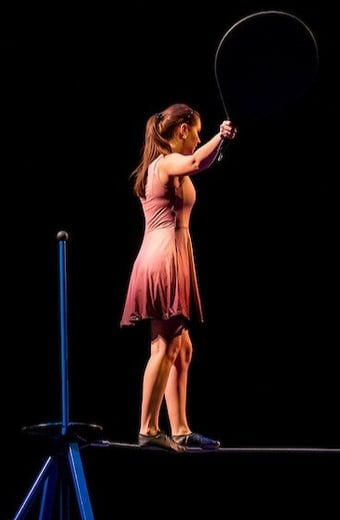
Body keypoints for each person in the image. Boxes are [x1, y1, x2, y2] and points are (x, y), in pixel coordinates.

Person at [120, 103, 236, 452]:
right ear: (182, 129)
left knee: (182, 348)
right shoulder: (167, 162)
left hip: (167, 253)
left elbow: (202, 161)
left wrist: (217, 145)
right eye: (196, 132)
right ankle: (149, 428)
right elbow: (197, 161)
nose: (197, 138)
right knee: (165, 344)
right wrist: (220, 135)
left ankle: (180, 428)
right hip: (164, 257)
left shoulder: (161, 166)